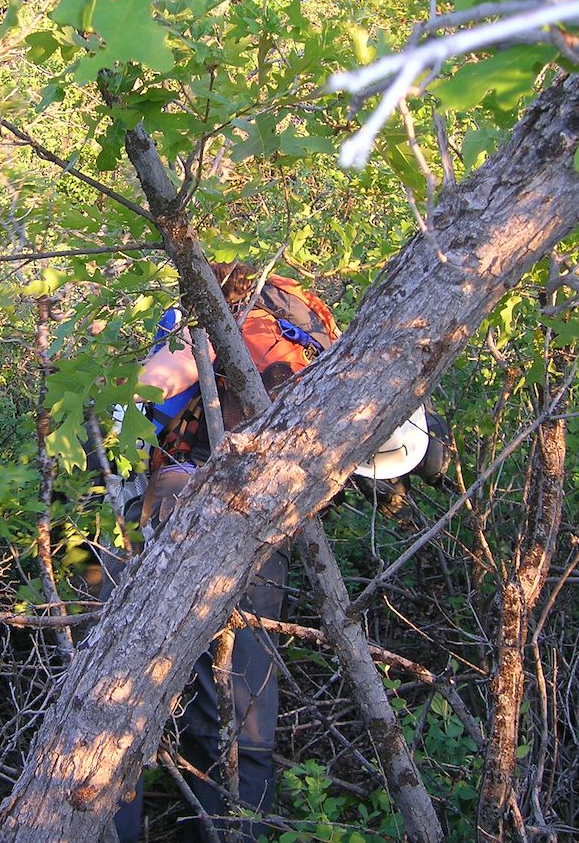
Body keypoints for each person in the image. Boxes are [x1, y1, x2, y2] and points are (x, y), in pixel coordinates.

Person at [98, 261, 440, 843]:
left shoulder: (234, 335)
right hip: (251, 533)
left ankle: (117, 826)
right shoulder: (327, 352)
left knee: (112, 711)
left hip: (163, 522)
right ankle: (227, 829)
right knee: (238, 716)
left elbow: (124, 416)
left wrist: (120, 493)